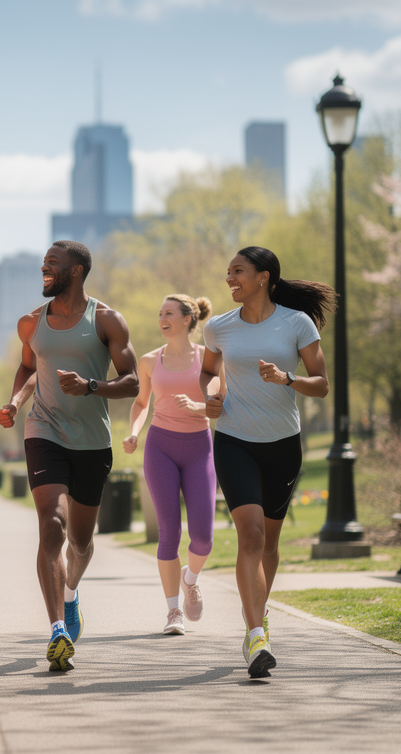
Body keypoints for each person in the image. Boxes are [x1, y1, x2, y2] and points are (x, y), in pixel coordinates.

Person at [0, 240, 138, 672]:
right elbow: (26, 368)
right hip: (44, 431)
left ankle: (71, 590)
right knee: (51, 525)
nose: (44, 268)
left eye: (53, 263)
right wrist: (16, 402)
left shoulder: (107, 320)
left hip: (93, 441)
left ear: (76, 271)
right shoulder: (31, 323)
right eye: (44, 262)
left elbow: (131, 382)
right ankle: (57, 627)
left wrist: (92, 386)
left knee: (79, 541)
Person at [201, 245, 333, 679]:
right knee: (251, 535)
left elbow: (321, 385)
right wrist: (212, 396)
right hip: (234, 439)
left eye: (238, 271)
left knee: (270, 545)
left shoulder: (296, 323)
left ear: (264, 277)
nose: (229, 279)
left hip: (283, 444)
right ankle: (256, 634)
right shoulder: (219, 327)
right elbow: (207, 372)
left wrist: (287, 378)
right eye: (228, 272)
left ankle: (257, 616)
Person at [122, 294, 216, 636]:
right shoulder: (149, 361)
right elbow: (141, 403)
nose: (162, 318)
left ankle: (191, 580)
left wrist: (197, 405)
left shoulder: (208, 358)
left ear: (188, 319)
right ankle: (173, 611)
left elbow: (218, 398)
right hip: (160, 446)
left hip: (199, 448)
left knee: (203, 537)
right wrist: (134, 432)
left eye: (169, 313)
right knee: (169, 533)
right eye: (159, 313)